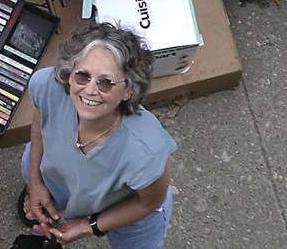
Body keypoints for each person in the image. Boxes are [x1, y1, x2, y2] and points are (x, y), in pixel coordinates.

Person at [18, 22, 177, 249]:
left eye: (105, 82)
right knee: (30, 169)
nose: (91, 90)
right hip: (59, 174)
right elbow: (40, 120)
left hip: (125, 208)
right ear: (69, 74)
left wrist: (89, 225)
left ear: (129, 90)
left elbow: (149, 202)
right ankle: (46, 196)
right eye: (82, 76)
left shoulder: (148, 151)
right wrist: (34, 181)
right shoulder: (48, 87)